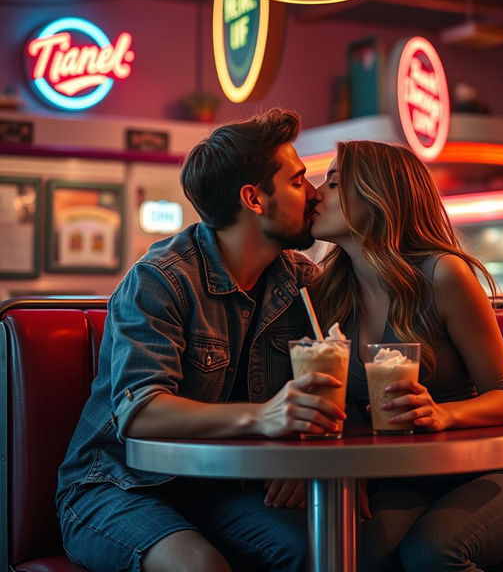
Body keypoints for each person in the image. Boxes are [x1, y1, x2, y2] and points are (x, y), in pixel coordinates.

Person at [56, 108, 345, 572]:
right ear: (254, 198)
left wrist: (306, 458)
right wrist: (264, 418)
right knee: (200, 567)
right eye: (297, 181)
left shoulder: (303, 283)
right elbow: (142, 411)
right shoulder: (161, 280)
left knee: (313, 553)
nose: (313, 195)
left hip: (226, 485)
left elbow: (338, 390)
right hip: (118, 485)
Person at [310, 140, 503, 572]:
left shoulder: (443, 274)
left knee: (433, 552)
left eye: (333, 181)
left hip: (492, 474)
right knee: (353, 553)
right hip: (403, 480)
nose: (316, 192)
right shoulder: (327, 296)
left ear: (377, 194)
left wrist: (442, 414)